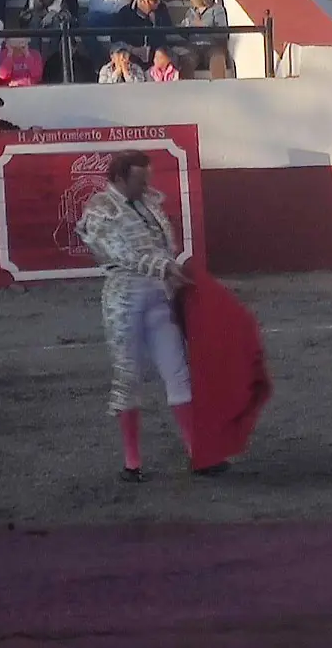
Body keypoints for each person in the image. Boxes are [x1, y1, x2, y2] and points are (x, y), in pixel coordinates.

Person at [73, 150, 229, 481]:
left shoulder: (148, 204)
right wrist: (165, 267)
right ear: (118, 178)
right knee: (127, 377)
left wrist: (168, 271)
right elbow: (118, 252)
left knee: (178, 371)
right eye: (138, 180)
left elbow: (163, 245)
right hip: (124, 298)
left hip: (157, 294)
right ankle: (132, 463)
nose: (145, 185)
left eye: (146, 178)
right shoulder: (99, 209)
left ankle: (199, 454)